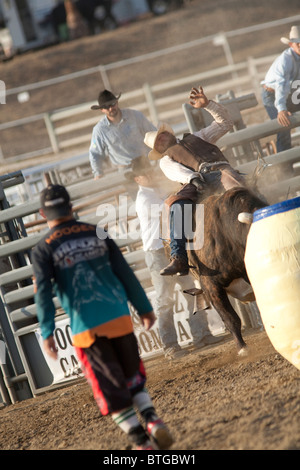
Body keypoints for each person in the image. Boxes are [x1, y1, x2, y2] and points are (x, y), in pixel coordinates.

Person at [31, 184, 173, 451]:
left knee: (109, 388)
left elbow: (43, 293)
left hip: (88, 329)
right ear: (71, 207)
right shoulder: (98, 233)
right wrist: (144, 308)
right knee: (132, 376)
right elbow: (124, 272)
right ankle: (152, 420)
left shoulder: (43, 249)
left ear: (42, 214)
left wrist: (48, 331)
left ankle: (141, 442)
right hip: (119, 318)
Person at [126, 156, 222, 358]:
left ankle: (201, 334)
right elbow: (170, 210)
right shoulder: (145, 199)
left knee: (191, 292)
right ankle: (171, 345)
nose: (150, 174)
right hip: (159, 253)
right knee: (165, 300)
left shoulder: (154, 193)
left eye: (149, 170)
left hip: (167, 250)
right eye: (145, 173)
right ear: (138, 179)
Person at [144, 86, 245, 276]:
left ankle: (267, 215)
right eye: (158, 141)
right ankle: (179, 258)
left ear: (170, 133)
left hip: (221, 170)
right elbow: (176, 171)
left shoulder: (198, 137)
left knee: (239, 183)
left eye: (163, 134)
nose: (162, 138)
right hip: (197, 181)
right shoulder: (165, 160)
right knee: (177, 206)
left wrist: (208, 105)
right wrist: (192, 178)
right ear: (158, 149)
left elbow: (225, 122)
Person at [89, 89, 156, 178]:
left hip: (145, 163)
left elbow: (153, 133)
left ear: (117, 102)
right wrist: (98, 173)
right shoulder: (100, 130)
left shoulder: (135, 115)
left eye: (112, 104)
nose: (110, 108)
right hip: (126, 170)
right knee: (133, 191)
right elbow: (95, 153)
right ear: (102, 109)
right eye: (106, 106)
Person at [261, 25, 300, 153]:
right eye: (297, 44)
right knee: (284, 126)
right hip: (272, 94)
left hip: (289, 93)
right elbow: (281, 84)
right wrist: (281, 108)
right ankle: (285, 168)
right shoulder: (286, 59)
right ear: (291, 45)